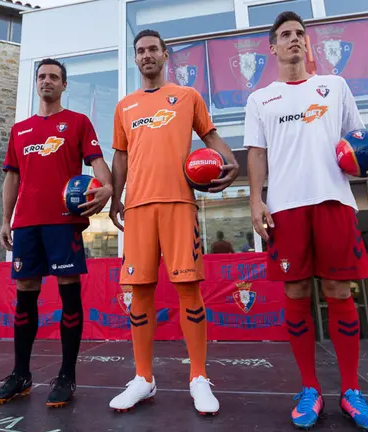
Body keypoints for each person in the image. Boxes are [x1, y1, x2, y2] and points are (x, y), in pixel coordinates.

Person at [244, 12, 368, 431]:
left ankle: (351, 391)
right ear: (273, 47)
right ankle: (309, 388)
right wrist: (255, 200)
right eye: (285, 35)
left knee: (338, 290)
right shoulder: (261, 99)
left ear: (307, 43)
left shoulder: (334, 87)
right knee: (296, 290)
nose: (294, 40)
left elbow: (362, 138)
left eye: (300, 34)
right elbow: (257, 155)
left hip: (334, 200)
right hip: (285, 206)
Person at [108, 29, 239, 415]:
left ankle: (198, 377)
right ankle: (143, 378)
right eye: (140, 51)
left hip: (180, 203)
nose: (146, 55)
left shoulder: (187, 97)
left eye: (153, 50)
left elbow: (211, 137)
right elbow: (120, 158)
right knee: (140, 292)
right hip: (138, 207)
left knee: (188, 291)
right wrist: (116, 197)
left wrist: (231, 164)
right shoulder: (124, 106)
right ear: (135, 59)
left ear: (165, 55)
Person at [0, 58, 113, 407]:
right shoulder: (21, 129)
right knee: (25, 295)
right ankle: (20, 374)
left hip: (63, 222)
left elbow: (98, 162)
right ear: (36, 83)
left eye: (54, 77)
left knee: (68, 294)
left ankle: (67, 377)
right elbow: (11, 177)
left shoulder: (77, 123)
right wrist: (5, 220)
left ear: (64, 85)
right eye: (42, 76)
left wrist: (107, 187)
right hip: (26, 223)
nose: (47, 81)